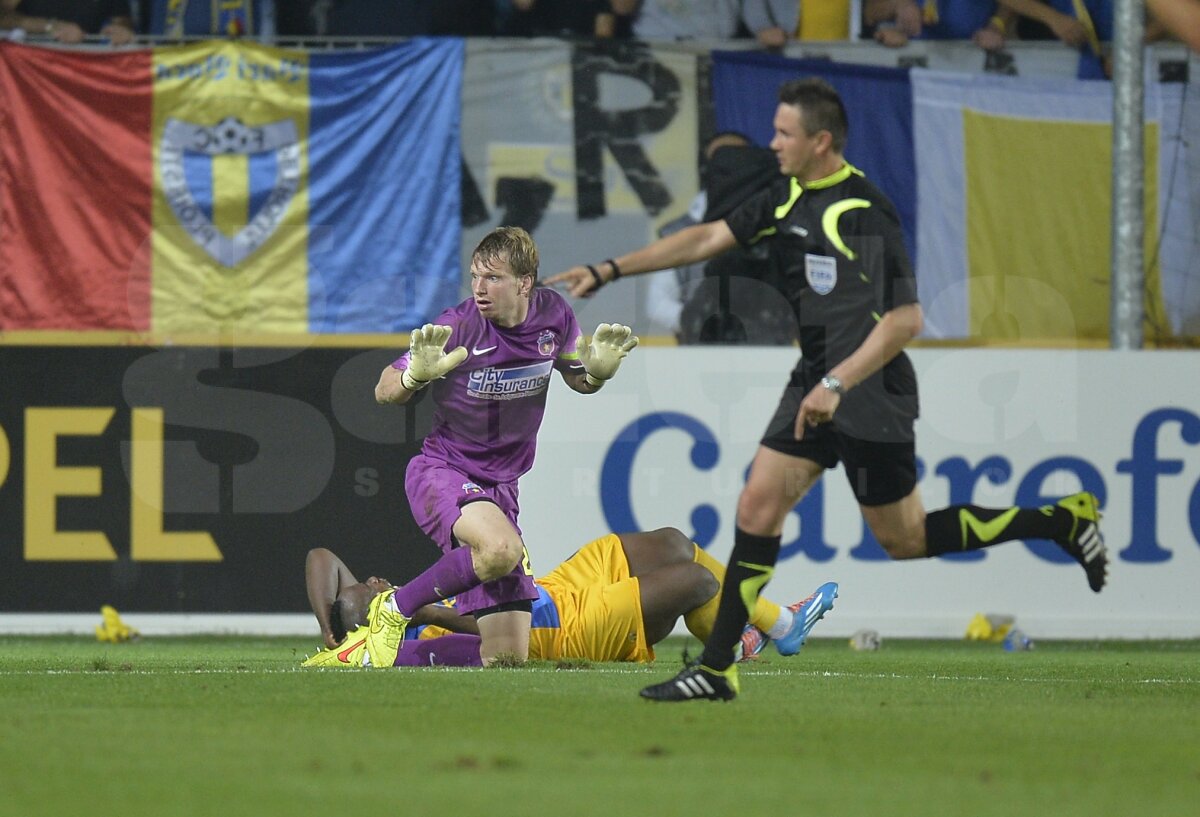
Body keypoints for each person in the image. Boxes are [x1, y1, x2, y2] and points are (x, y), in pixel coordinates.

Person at [547, 78, 1109, 702]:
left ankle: (1061, 520)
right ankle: (716, 669)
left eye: (785, 133)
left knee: (906, 539)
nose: (773, 142)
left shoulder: (864, 210)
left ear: (821, 141)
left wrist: (840, 382)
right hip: (814, 379)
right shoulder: (784, 198)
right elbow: (708, 237)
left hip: (869, 387)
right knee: (757, 506)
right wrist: (609, 268)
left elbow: (906, 319)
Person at [366, 226, 639, 669]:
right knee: (500, 551)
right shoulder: (457, 325)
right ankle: (394, 608)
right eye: (474, 276)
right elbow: (383, 390)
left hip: (501, 488)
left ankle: (371, 656)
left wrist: (596, 375)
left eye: (492, 277)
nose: (479, 288)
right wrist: (413, 377)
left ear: (524, 283)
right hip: (444, 472)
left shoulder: (554, 315)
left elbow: (578, 379)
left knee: (505, 655)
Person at [301, 527, 839, 667]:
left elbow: (321, 557)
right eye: (369, 589)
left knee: (674, 542)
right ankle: (779, 626)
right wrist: (430, 610)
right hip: (566, 627)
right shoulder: (408, 642)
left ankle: (744, 638)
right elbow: (502, 645)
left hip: (558, 584)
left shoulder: (395, 609)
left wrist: (328, 628)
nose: (376, 580)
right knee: (696, 581)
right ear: (370, 613)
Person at [0, 0, 135, 44]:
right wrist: (50, 26)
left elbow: (122, 20)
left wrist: (121, 31)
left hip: (84, 74)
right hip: (29, 71)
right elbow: (3, 18)